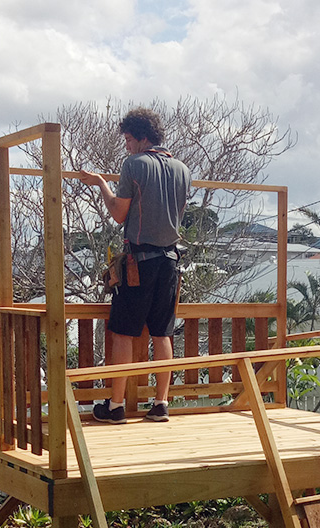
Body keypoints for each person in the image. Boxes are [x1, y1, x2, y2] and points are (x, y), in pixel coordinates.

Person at [79, 107, 191, 423]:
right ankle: (160, 404)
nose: (126, 146)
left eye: (128, 139)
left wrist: (101, 182)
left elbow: (118, 211)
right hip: (171, 260)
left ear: (141, 137)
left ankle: (115, 407)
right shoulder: (182, 169)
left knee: (123, 333)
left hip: (139, 262)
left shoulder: (135, 164)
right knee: (162, 333)